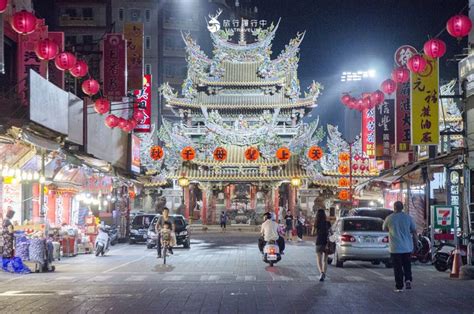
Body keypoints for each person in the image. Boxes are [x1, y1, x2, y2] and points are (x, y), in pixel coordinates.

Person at [383, 201, 418, 292]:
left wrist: (392, 229)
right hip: (407, 247)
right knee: (407, 265)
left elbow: (384, 228)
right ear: (402, 208)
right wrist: (416, 244)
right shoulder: (408, 218)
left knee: (397, 267)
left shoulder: (389, 218)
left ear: (394, 207)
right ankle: (408, 279)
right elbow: (414, 231)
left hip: (395, 248)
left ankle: (399, 286)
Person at [313, 209, 331, 282]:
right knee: (325, 260)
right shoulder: (328, 223)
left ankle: (321, 273)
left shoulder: (316, 223)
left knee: (319, 259)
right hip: (326, 242)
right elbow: (331, 232)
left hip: (319, 241)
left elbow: (313, 233)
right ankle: (324, 273)